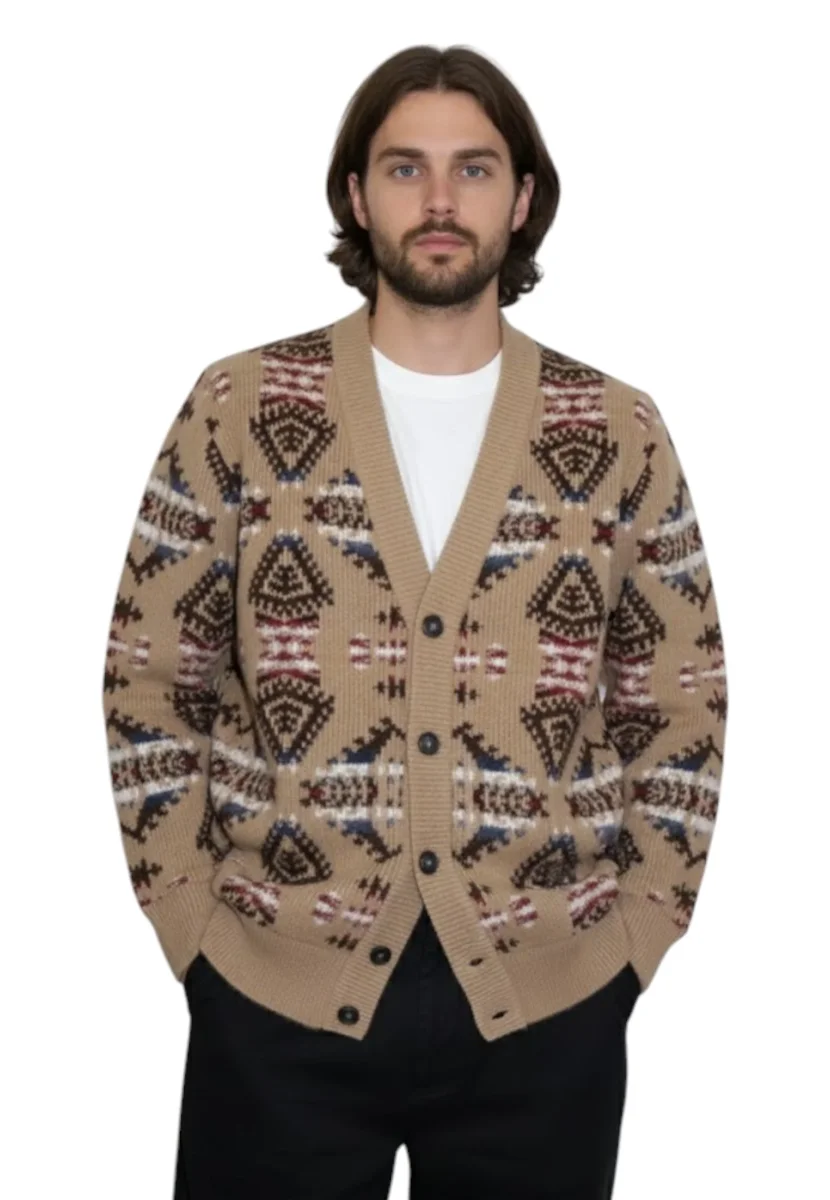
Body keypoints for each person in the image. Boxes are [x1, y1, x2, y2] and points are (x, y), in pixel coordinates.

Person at [101, 42, 728, 1200]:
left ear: (521, 198)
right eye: (404, 169)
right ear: (356, 194)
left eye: (473, 169)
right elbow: (153, 676)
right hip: (274, 997)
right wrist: (192, 923)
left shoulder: (613, 429)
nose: (439, 201)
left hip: (546, 1010)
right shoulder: (242, 406)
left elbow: (675, 699)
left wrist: (635, 936)